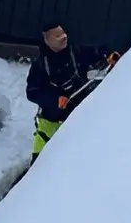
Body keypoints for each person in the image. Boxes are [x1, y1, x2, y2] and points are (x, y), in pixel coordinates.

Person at [25, 21, 119, 164]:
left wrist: (109, 55)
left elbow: (98, 52)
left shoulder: (76, 52)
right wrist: (55, 100)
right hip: (52, 118)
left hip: (79, 111)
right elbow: (32, 91)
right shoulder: (40, 64)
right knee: (42, 162)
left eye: (63, 33)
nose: (63, 37)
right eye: (57, 35)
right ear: (47, 40)